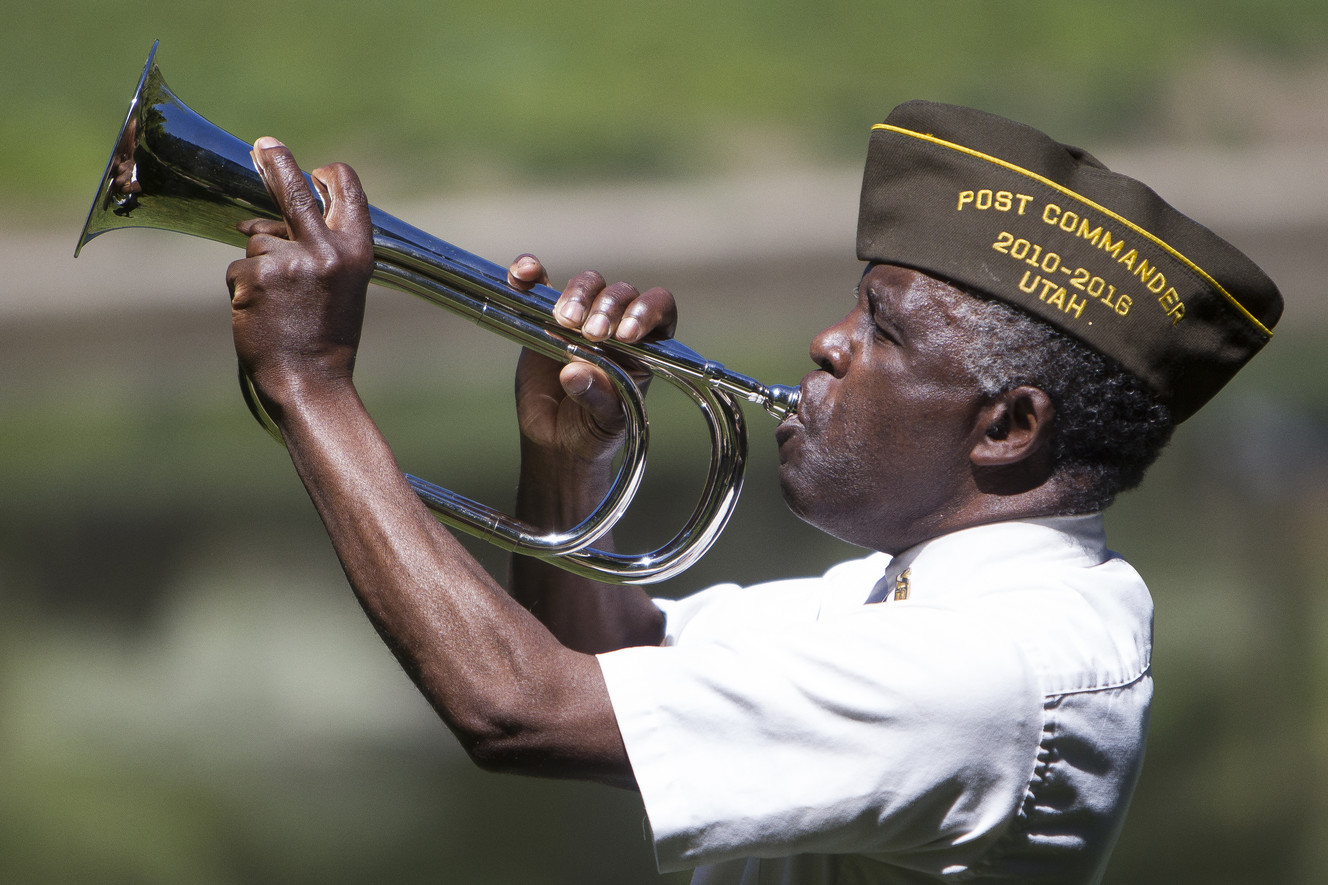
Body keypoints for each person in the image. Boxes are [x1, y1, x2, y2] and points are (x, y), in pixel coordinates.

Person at [224, 100, 1282, 883]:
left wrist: (309, 384)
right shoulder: (924, 596)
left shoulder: (992, 669)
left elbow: (516, 710)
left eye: (883, 329)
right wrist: (563, 455)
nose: (826, 343)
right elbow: (615, 664)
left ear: (1006, 428)